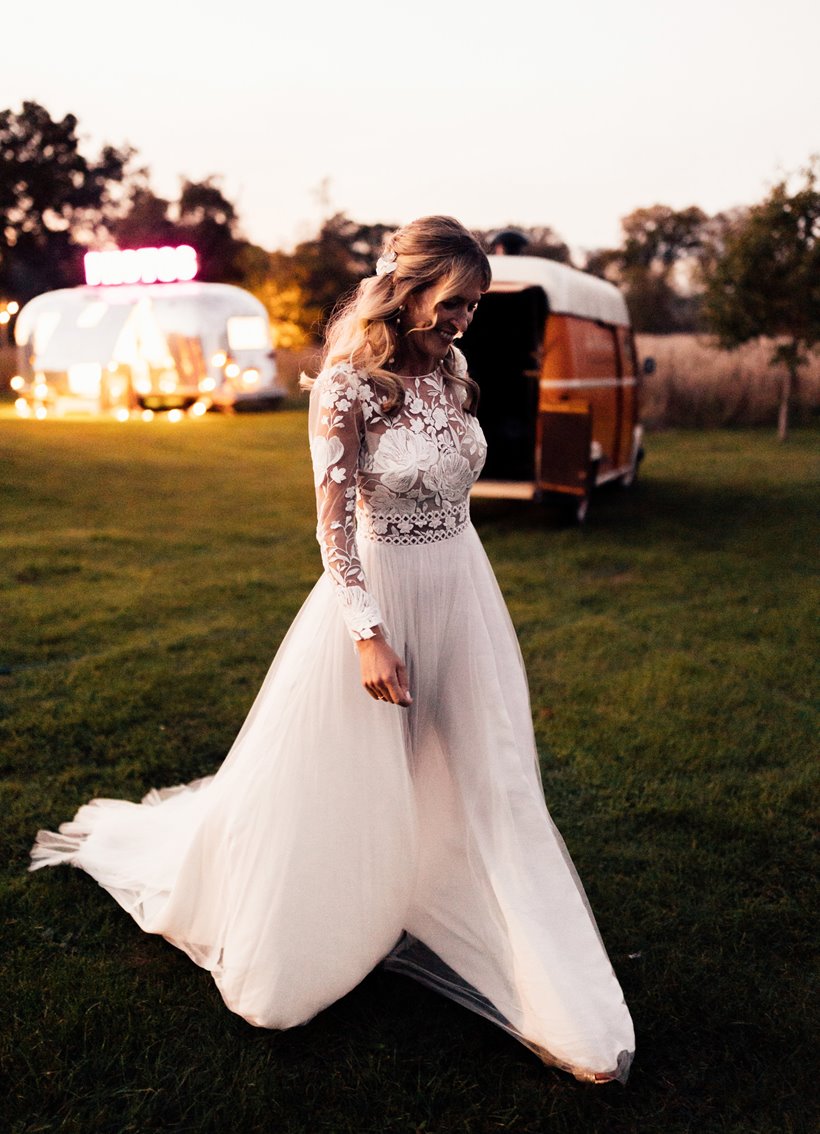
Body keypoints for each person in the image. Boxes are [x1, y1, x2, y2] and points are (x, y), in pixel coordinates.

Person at [30, 215, 634, 1084]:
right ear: (409, 288)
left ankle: (546, 984)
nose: (467, 320)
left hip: (461, 587)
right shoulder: (349, 385)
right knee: (350, 780)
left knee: (487, 775)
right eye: (456, 303)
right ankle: (328, 922)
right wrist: (368, 636)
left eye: (476, 305)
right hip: (378, 597)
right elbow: (333, 530)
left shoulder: (455, 371)